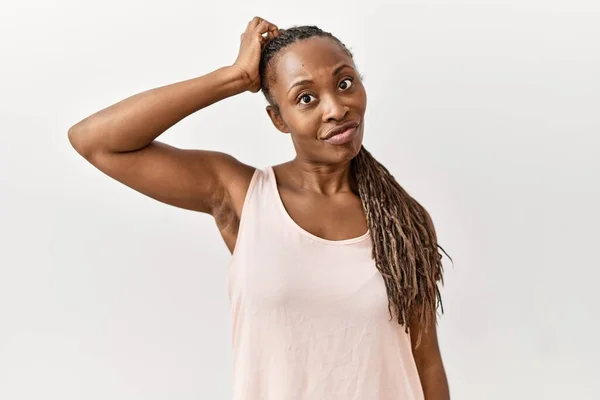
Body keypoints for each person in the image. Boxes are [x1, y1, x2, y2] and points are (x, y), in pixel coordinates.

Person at [68, 16, 451, 400]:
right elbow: (94, 141)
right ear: (278, 119)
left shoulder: (403, 220)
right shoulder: (242, 196)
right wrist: (234, 77)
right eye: (306, 98)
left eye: (345, 83)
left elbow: (426, 362)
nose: (336, 108)